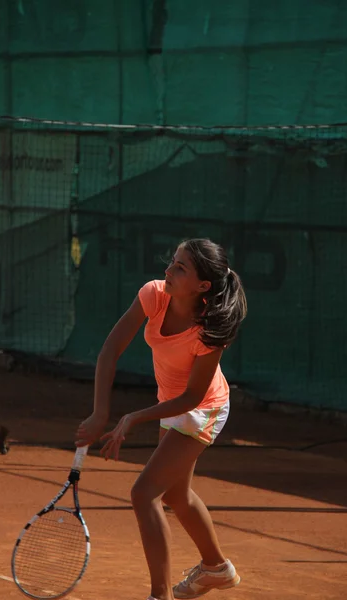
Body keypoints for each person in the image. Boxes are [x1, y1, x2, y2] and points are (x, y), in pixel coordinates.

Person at [75, 238, 247, 600]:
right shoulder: (155, 294)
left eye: (180, 267)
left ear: (203, 286)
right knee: (176, 495)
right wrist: (100, 412)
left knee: (144, 493)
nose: (168, 270)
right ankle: (216, 568)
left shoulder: (209, 332)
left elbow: (193, 397)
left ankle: (159, 595)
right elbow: (110, 349)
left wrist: (134, 417)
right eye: (172, 262)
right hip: (171, 403)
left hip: (204, 408)